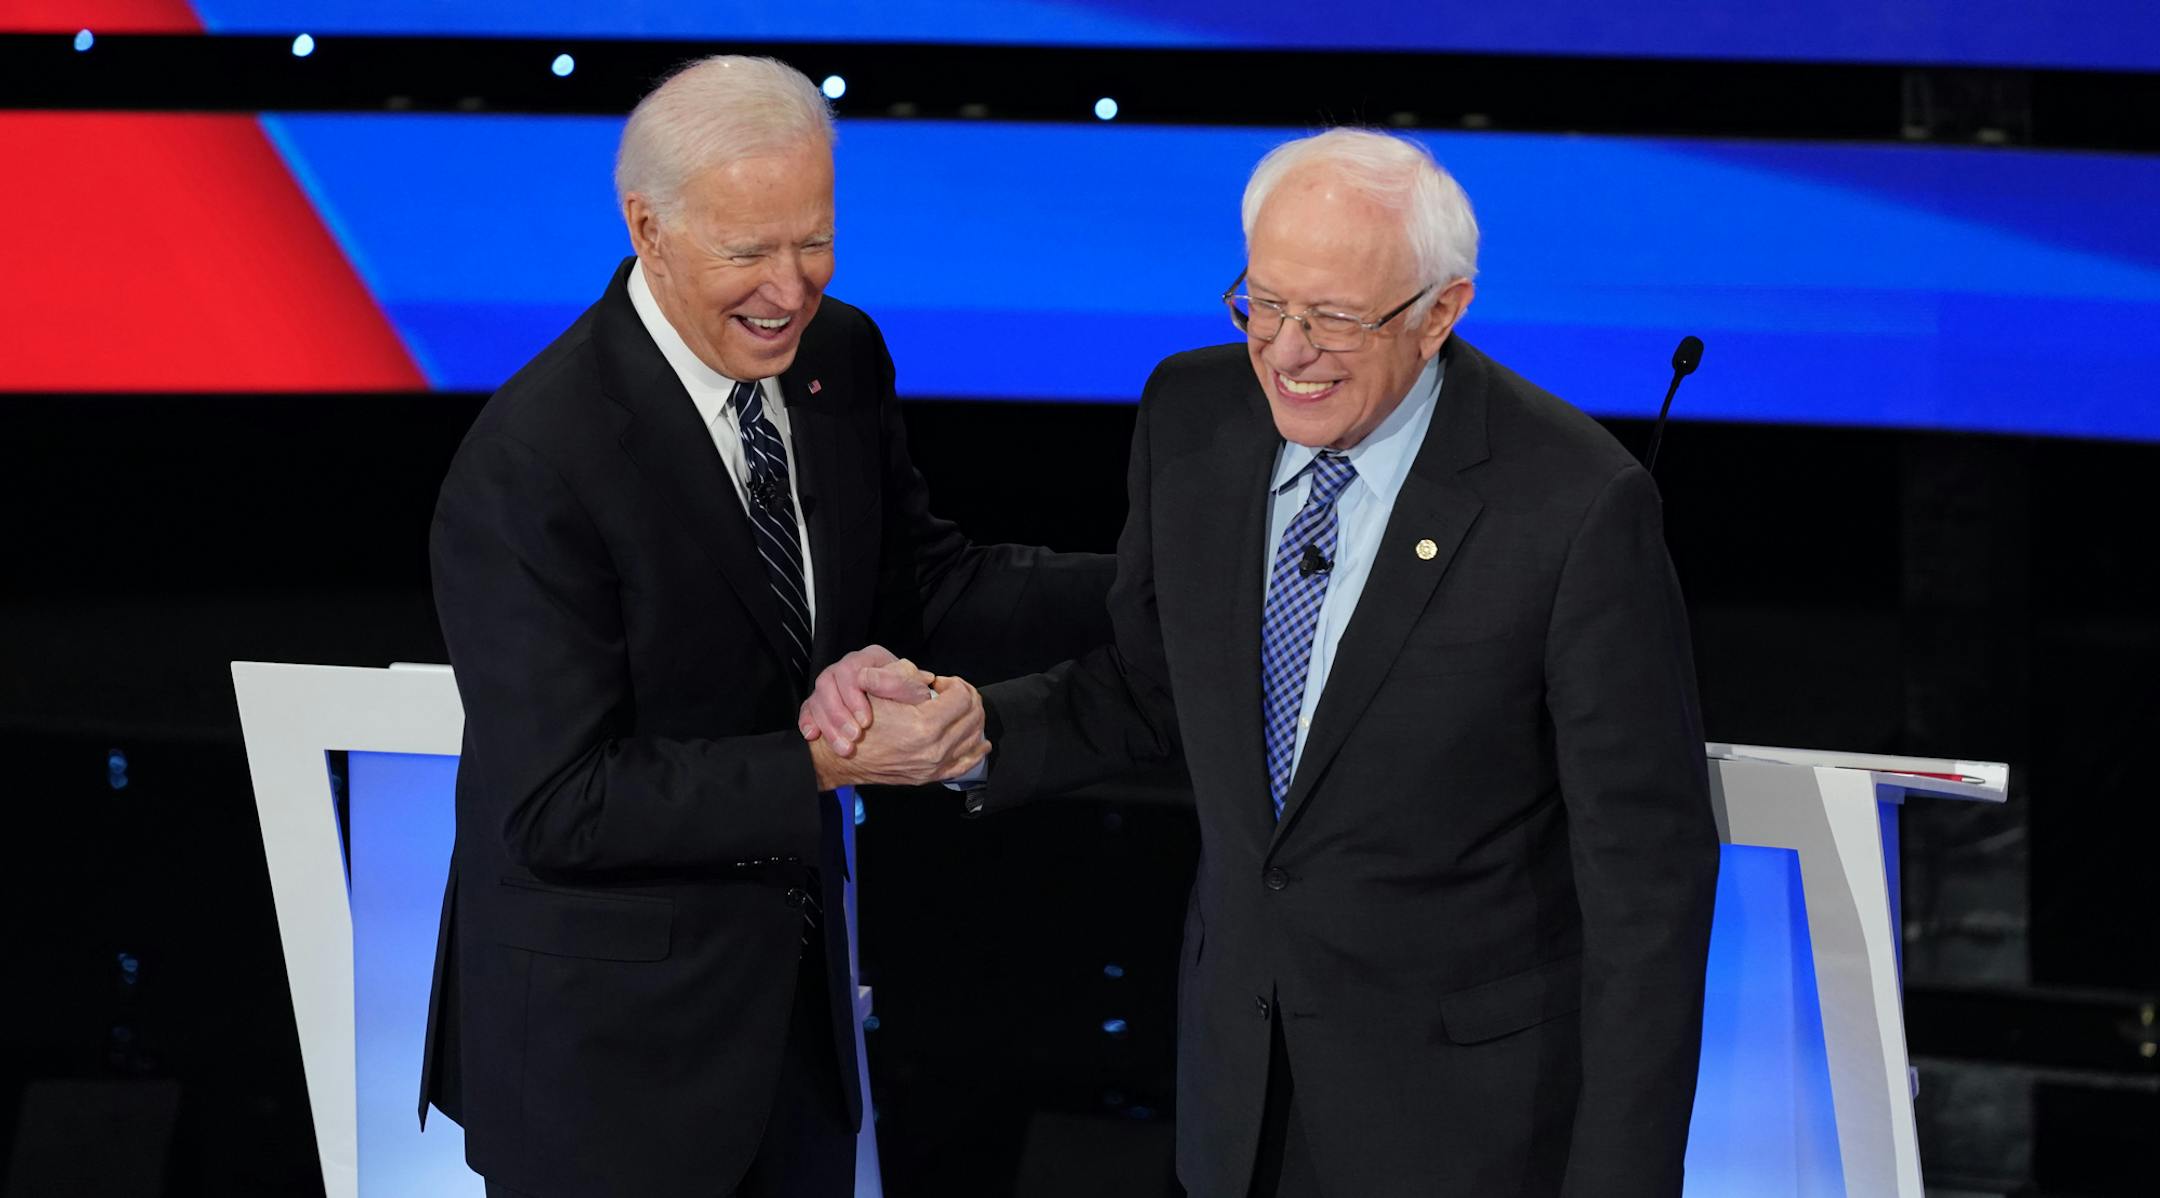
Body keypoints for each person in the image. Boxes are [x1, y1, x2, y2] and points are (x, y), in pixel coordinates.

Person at [963, 129, 1721, 1197]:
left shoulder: (1573, 508)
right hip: (1237, 1109)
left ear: (1440, 312)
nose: (1285, 350)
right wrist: (969, 731)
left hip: (1466, 1134)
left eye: (1332, 318)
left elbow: (1651, 889)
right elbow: (1154, 688)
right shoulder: (1194, 416)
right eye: (1263, 303)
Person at [418, 56, 1111, 1198]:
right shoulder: (536, 463)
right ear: (647, 227)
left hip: (789, 1035)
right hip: (607, 1066)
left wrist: (1168, 583)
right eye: (748, 252)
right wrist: (826, 763)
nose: (790, 289)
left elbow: (920, 584)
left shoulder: (838, 357)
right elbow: (559, 805)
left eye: (813, 241)